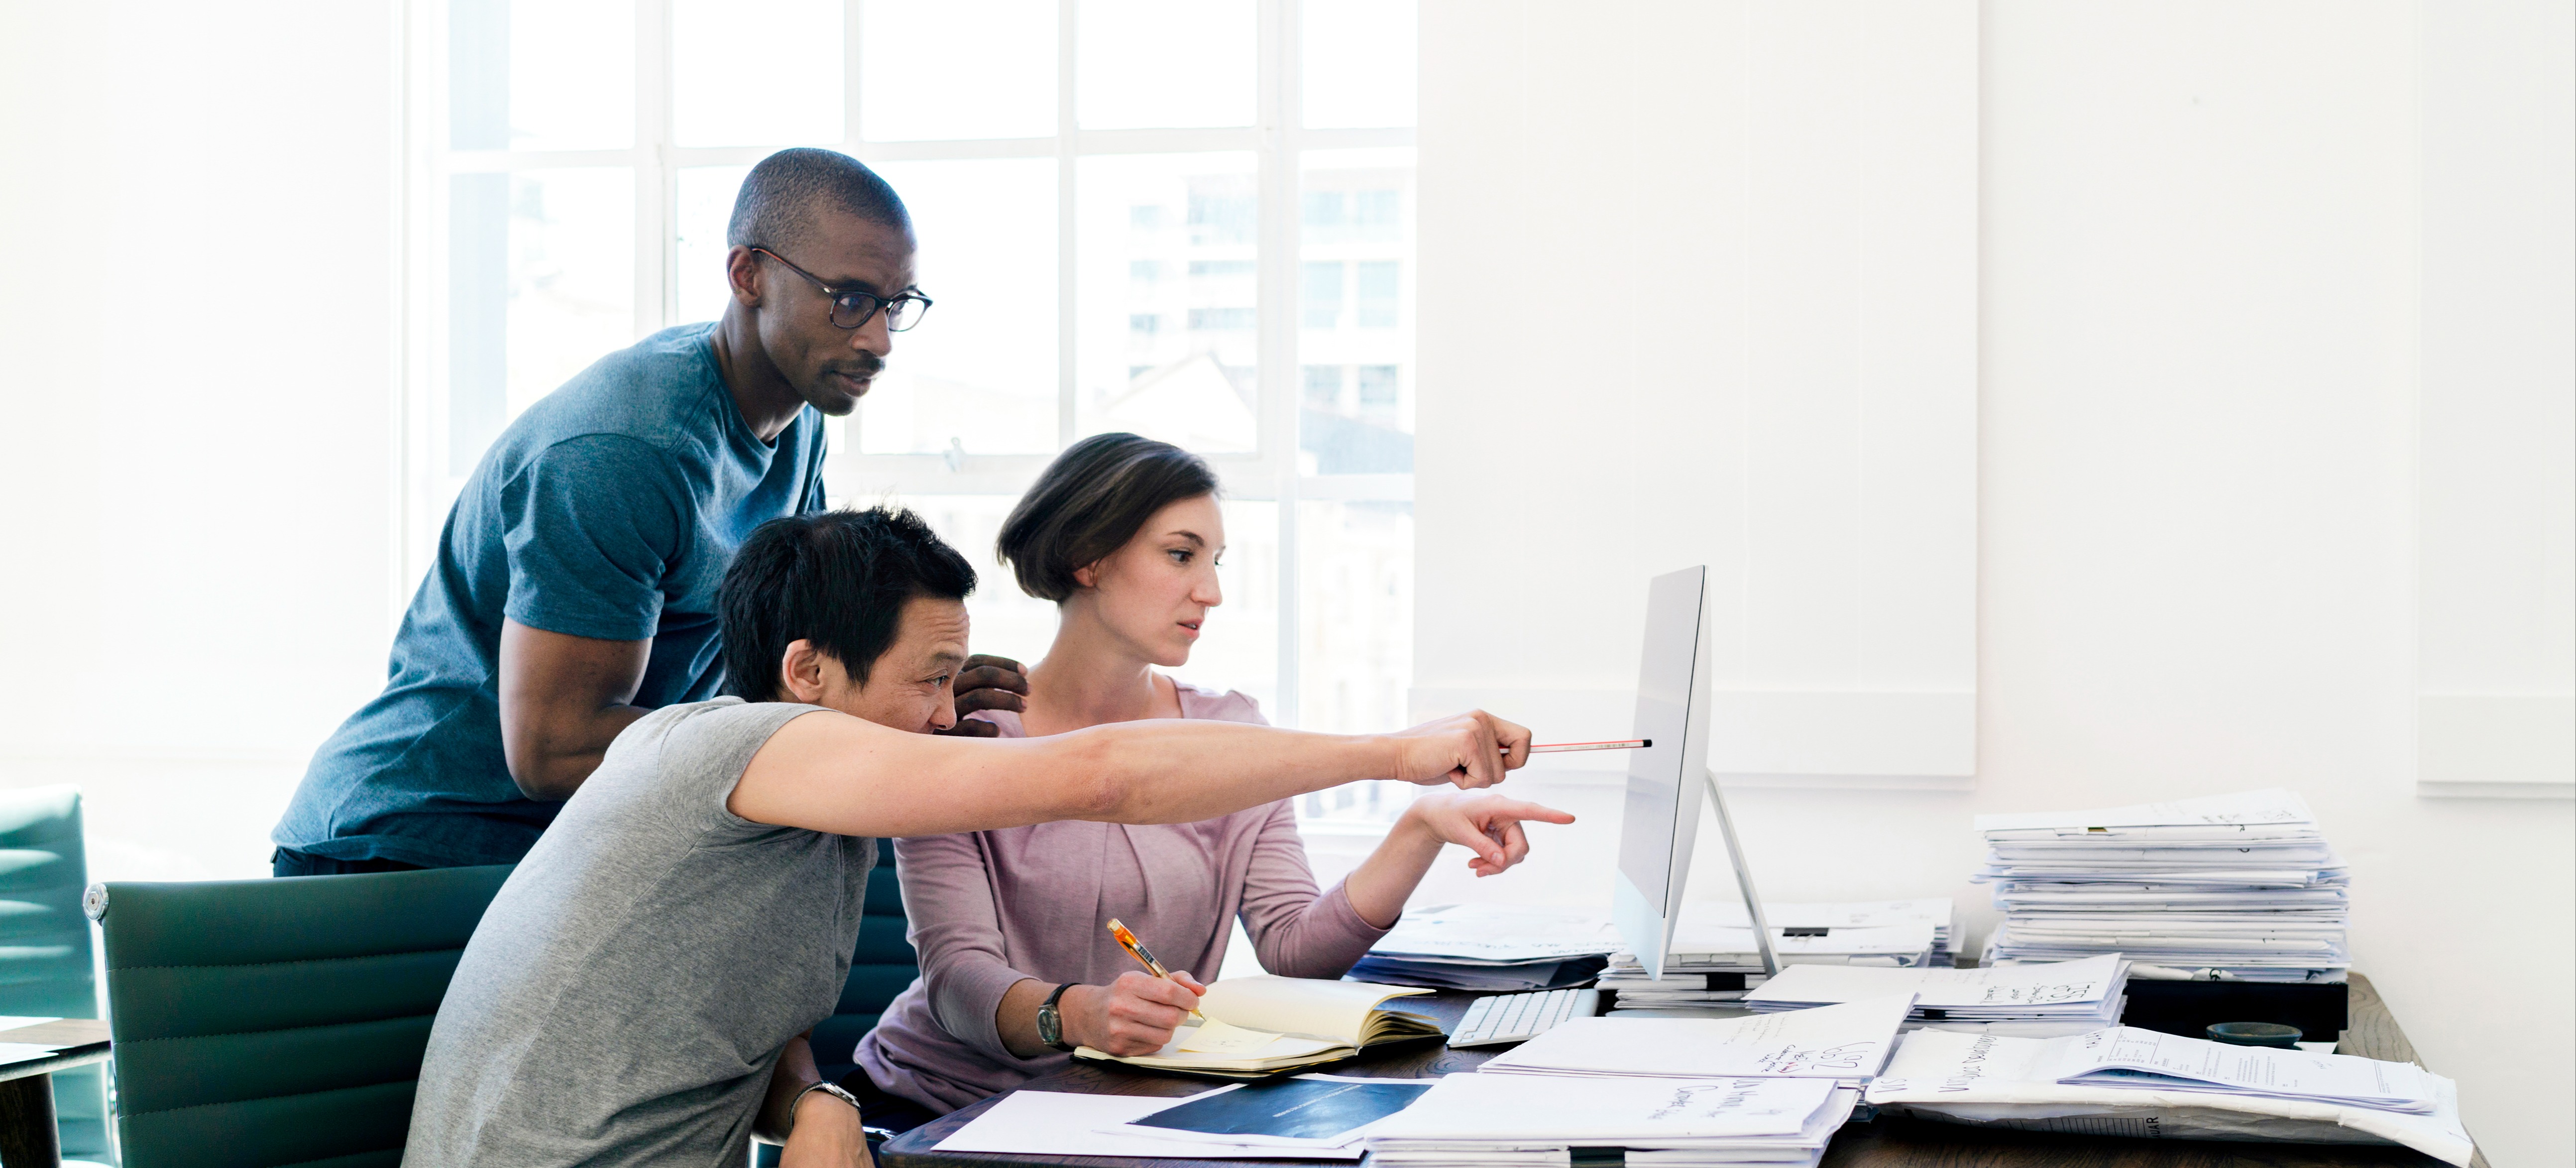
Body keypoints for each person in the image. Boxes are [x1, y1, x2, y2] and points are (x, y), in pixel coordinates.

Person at [403, 506, 1529, 1167]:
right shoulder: (736, 747)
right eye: (928, 681)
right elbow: (1102, 774)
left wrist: (817, 1100)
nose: (951, 718)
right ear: (806, 674)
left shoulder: (806, 814)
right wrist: (1392, 753)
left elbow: (723, 1012)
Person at [270, 147, 1024, 876]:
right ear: (748, 273)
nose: (879, 339)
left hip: (569, 844)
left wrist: (905, 700)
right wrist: (829, 740)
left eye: (897, 305)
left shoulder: (800, 423)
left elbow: (787, 673)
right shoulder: (624, 449)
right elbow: (552, 748)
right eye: (850, 300)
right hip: (408, 846)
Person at [850, 433, 1574, 1123]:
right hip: (938, 1103)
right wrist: (1077, 1013)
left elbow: (1294, 948)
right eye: (1180, 554)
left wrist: (1418, 828)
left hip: (1119, 1105)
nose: (1212, 591)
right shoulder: (966, 734)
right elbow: (957, 978)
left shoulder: (1233, 735)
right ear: (1087, 559)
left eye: (1217, 560)